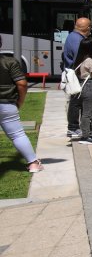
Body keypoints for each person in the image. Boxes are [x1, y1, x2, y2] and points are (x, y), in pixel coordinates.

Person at [0, 35, 42, 172]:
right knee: (17, 134)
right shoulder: (10, 62)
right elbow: (22, 84)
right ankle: (33, 164)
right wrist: (20, 101)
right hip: (7, 103)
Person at [61, 17, 90, 138]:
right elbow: (81, 57)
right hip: (77, 76)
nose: (90, 29)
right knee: (75, 101)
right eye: (90, 27)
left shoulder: (74, 37)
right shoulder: (76, 39)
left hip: (76, 74)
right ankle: (73, 127)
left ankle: (77, 127)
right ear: (87, 28)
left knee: (77, 101)